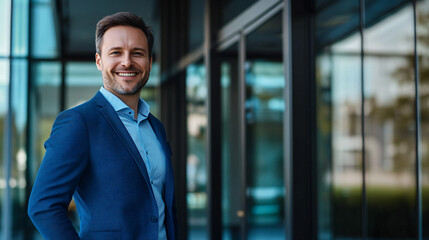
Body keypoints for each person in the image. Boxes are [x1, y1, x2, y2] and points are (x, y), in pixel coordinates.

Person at [28, 12, 176, 240]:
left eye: (137, 53)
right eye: (116, 53)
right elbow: (43, 207)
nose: (127, 61)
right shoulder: (79, 122)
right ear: (99, 61)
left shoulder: (156, 126)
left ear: (150, 62)